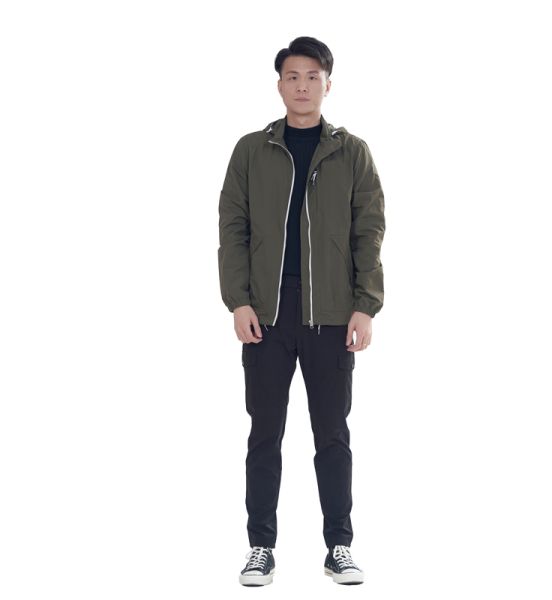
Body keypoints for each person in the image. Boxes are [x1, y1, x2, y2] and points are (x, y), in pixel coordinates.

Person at [217, 36, 385, 586]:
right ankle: (260, 547)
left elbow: (369, 232)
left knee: (332, 435)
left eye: (313, 76)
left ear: (328, 85)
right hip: (266, 315)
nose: (303, 85)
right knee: (264, 434)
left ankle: (339, 546)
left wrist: (365, 306)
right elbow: (232, 229)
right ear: (280, 85)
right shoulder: (251, 150)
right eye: (293, 76)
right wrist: (239, 300)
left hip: (332, 314)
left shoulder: (352, 152)